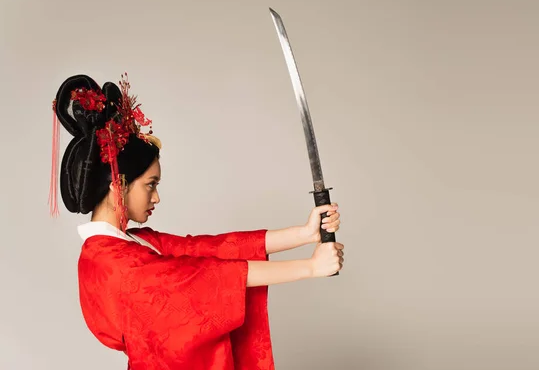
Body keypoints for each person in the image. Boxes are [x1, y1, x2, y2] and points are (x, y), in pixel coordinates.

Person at [48, 73, 344, 370]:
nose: (156, 198)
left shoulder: (131, 244)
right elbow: (210, 278)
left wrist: (304, 235)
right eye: (150, 184)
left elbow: (208, 250)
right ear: (119, 185)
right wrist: (310, 267)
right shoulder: (116, 264)